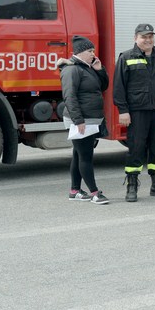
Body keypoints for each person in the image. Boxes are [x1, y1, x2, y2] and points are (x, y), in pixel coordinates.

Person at [113, 23, 155, 202]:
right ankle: (131, 187)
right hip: (137, 112)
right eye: (144, 37)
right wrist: (123, 111)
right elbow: (119, 87)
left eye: (150, 37)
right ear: (136, 38)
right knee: (136, 148)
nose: (148, 40)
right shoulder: (126, 57)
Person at [60, 35, 110, 205]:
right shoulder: (71, 69)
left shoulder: (87, 68)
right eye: (90, 51)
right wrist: (78, 120)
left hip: (90, 118)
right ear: (80, 52)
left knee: (78, 154)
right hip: (81, 120)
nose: (93, 54)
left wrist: (99, 69)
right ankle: (95, 193)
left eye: (93, 50)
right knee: (86, 156)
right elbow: (69, 96)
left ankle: (74, 191)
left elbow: (103, 86)